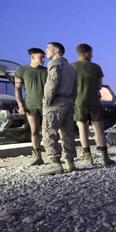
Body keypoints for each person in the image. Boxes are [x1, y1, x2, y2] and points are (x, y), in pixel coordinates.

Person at [71, 43, 115, 166]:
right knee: (99, 130)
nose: (92, 55)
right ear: (86, 53)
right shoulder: (96, 67)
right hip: (94, 102)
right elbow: (100, 85)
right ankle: (105, 157)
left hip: (79, 102)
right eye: (91, 53)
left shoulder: (72, 67)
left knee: (83, 130)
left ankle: (87, 158)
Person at [39, 42, 78, 175]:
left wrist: (47, 101)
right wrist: (71, 100)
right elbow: (75, 88)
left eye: (47, 49)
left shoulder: (54, 64)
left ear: (56, 50)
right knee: (67, 133)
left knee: (49, 131)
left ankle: (55, 163)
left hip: (56, 102)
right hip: (68, 101)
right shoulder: (70, 68)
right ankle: (70, 162)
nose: (45, 51)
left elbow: (52, 83)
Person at [14, 48, 47, 166]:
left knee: (49, 131)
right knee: (34, 131)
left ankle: (54, 155)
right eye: (41, 57)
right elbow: (17, 88)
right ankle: (37, 156)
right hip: (31, 106)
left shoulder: (46, 71)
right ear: (32, 57)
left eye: (44, 57)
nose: (44, 59)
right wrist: (20, 104)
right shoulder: (22, 70)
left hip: (46, 106)